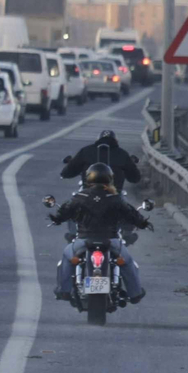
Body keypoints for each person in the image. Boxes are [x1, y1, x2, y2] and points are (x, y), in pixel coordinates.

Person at [48, 163, 151, 303]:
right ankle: (135, 293)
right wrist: (143, 223)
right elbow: (131, 214)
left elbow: (64, 211)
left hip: (83, 241)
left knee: (67, 257)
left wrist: (57, 219)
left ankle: (64, 291)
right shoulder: (115, 198)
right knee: (127, 262)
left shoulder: (80, 196)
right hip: (111, 241)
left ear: (88, 178)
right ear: (109, 178)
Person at [61, 129, 141, 189]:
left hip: (88, 195)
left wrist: (66, 171)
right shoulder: (122, 154)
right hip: (114, 196)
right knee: (129, 210)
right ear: (116, 141)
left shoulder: (86, 151)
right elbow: (135, 178)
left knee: (70, 208)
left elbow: (68, 171)